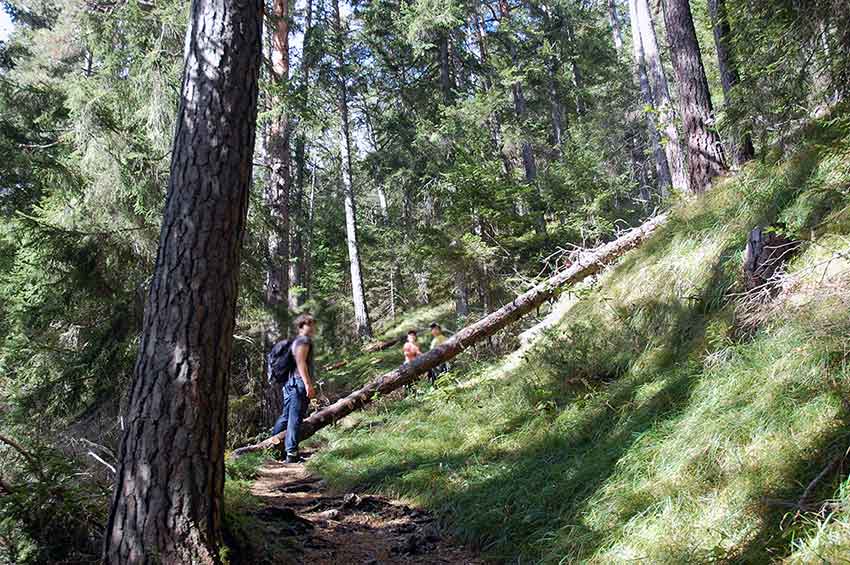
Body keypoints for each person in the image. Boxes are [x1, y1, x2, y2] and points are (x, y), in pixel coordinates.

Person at [271, 313, 317, 463]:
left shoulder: (295, 341)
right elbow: (301, 363)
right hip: (298, 384)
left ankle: (274, 449)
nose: (313, 328)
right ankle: (291, 453)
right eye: (310, 324)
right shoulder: (303, 341)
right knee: (295, 418)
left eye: (313, 324)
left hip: (289, 384)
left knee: (286, 417)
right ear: (302, 326)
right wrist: (308, 384)